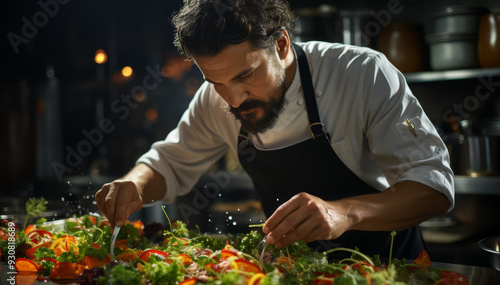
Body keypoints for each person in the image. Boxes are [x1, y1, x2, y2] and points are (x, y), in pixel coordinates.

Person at [95, 0, 454, 260]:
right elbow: (169, 162)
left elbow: (432, 186)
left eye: (245, 75)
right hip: (294, 279)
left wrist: (343, 213)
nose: (233, 99)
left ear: (280, 44)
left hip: (392, 271)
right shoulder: (214, 98)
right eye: (216, 82)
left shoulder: (361, 74)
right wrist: (134, 184)